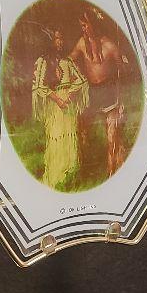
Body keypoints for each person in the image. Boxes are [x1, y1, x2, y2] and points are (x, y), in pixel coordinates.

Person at [70, 7, 129, 177]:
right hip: (91, 93)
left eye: (85, 25)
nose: (83, 29)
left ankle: (112, 173)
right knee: (81, 129)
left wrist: (123, 62)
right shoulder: (82, 43)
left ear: (93, 24)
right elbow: (69, 60)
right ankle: (82, 168)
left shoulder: (109, 45)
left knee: (111, 137)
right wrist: (73, 74)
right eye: (81, 26)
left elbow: (123, 72)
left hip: (109, 93)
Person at [32, 30, 88, 189]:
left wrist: (69, 97)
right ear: (50, 40)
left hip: (68, 105)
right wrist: (57, 99)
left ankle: (70, 174)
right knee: (56, 136)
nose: (60, 42)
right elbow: (38, 86)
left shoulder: (67, 61)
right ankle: (56, 177)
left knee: (69, 135)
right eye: (57, 38)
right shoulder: (43, 61)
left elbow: (81, 80)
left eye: (62, 38)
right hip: (54, 105)